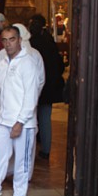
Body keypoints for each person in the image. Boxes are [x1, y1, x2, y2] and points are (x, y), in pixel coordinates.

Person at [0, 25, 44, 196]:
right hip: (2, 120)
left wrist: (20, 122)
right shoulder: (1, 63)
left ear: (19, 40)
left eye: (12, 39)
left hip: (23, 123)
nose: (8, 44)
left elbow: (31, 97)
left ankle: (19, 195)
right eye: (5, 40)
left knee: (22, 162)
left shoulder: (28, 63)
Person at [29, 14, 65, 159]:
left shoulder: (31, 44)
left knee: (32, 117)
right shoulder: (49, 41)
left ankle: (32, 146)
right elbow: (59, 64)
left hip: (34, 85)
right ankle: (46, 149)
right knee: (45, 117)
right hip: (49, 86)